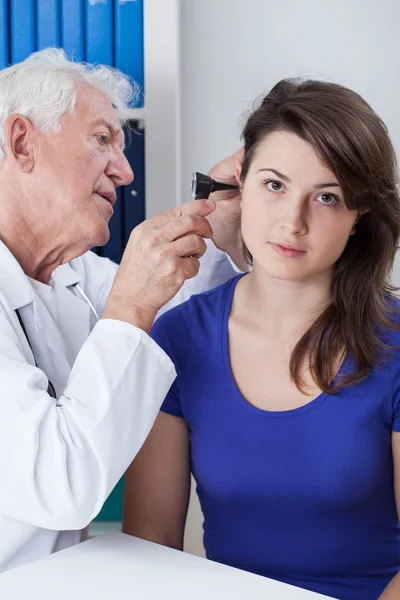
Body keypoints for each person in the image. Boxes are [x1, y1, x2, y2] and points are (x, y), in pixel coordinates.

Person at [123, 79, 400, 600]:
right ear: (239, 182)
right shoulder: (177, 338)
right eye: (274, 185)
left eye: (327, 197)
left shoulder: (396, 343)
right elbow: (150, 544)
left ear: (358, 216)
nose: (292, 223)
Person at [0, 48, 242, 573]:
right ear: (22, 142)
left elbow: (188, 309)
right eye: (103, 139)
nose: (126, 171)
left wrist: (220, 223)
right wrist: (131, 302)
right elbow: (60, 484)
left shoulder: (71, 275)